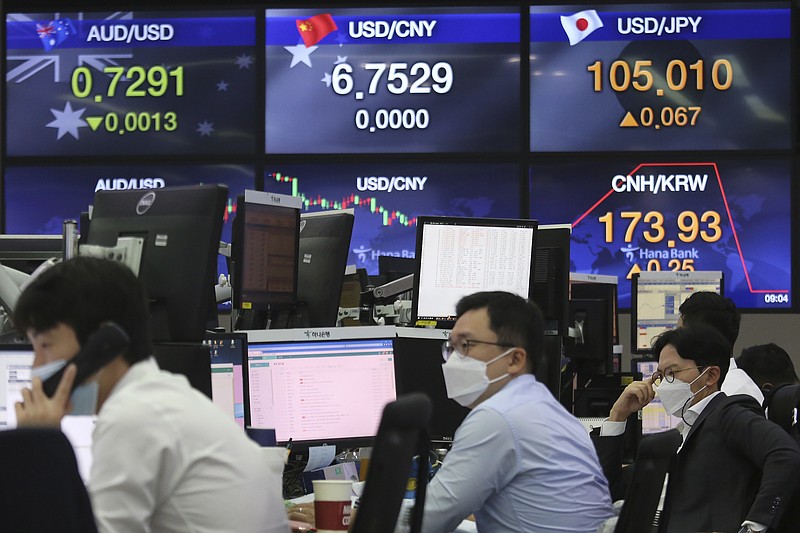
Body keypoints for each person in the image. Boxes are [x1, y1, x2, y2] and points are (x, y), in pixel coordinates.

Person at [13, 256, 290, 533]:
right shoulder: (164, 400)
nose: (37, 366)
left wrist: (40, 447)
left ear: (102, 343)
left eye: (45, 345)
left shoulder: (134, 417)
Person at [421, 291, 613, 533]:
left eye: (466, 345)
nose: (453, 360)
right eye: (451, 347)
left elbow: (426, 521)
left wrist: (368, 515)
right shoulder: (553, 412)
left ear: (514, 359)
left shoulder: (497, 417)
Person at [593, 324, 800, 533]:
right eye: (661, 376)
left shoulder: (727, 414)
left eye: (672, 373)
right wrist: (618, 416)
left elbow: (785, 454)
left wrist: (755, 526)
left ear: (710, 376)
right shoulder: (676, 437)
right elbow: (608, 492)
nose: (665, 384)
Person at [678, 290, 763, 402]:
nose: (676, 344)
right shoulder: (727, 385)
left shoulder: (730, 395)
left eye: (680, 336)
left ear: (705, 341)